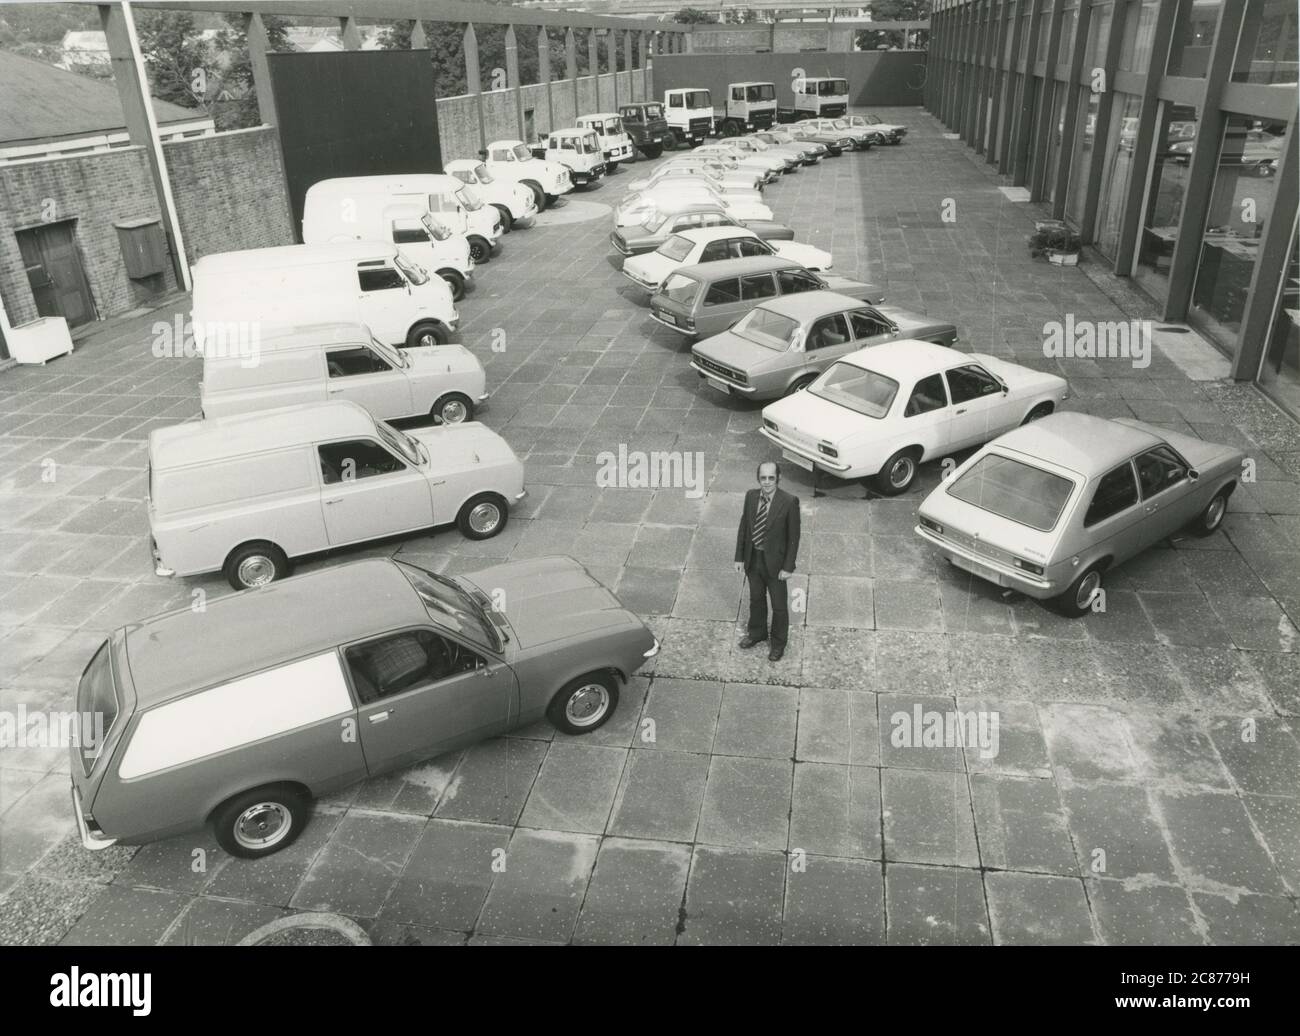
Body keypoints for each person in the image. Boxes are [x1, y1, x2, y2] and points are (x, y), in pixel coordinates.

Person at [734, 461, 801, 662]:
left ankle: (778, 643)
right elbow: (744, 527)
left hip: (776, 564)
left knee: (779, 606)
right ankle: (757, 633)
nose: (767, 482)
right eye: (763, 478)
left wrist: (788, 567)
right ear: (758, 479)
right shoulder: (751, 496)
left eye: (771, 477)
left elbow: (793, 538)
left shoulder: (789, 502)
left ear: (778, 478)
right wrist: (739, 557)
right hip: (753, 559)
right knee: (756, 599)